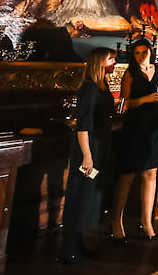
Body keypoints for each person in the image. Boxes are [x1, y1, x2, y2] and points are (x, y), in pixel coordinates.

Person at [59, 47, 117, 264]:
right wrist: (87, 156)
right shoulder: (90, 88)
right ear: (99, 62)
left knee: (89, 197)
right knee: (80, 195)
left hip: (99, 147)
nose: (114, 63)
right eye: (110, 59)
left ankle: (79, 243)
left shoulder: (102, 85)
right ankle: (69, 249)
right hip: (88, 149)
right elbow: (83, 125)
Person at [111, 39, 158, 242]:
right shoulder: (130, 74)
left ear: (151, 52)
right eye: (137, 53)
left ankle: (146, 222)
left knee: (151, 173)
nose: (141, 56)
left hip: (153, 127)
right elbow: (124, 105)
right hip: (134, 127)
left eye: (144, 52)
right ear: (132, 55)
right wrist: (146, 99)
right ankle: (117, 221)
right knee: (127, 175)